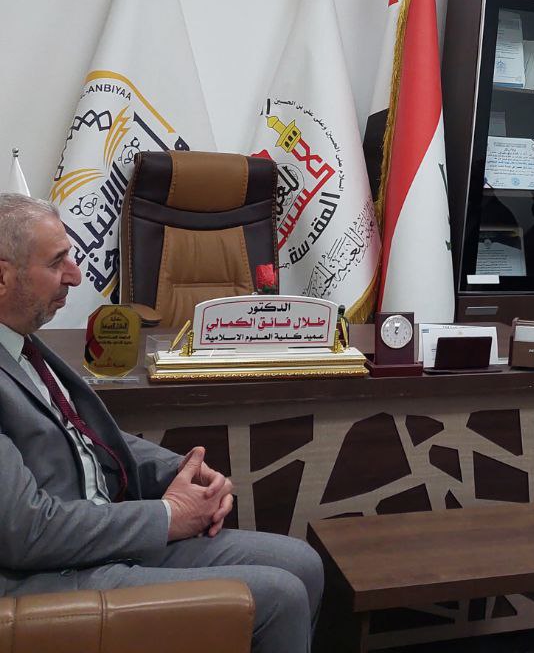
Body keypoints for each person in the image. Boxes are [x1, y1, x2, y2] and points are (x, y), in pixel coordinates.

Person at [0, 192, 324, 653]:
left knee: (303, 564)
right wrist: (168, 516)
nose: (75, 274)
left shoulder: (21, 343)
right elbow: (27, 532)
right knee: (279, 597)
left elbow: (79, 434)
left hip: (102, 538)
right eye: (57, 262)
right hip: (50, 573)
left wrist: (181, 470)